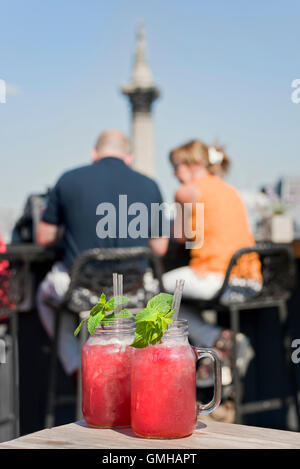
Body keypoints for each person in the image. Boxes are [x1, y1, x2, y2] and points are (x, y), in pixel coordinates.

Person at [36, 129, 168, 375]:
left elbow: (44, 236)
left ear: (94, 153)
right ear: (128, 157)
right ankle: (133, 374)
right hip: (133, 292)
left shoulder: (68, 179)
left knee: (44, 296)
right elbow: (160, 247)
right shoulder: (150, 185)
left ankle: (77, 368)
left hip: (82, 292)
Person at [163, 140, 261, 382]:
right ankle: (219, 362)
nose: (174, 174)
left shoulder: (187, 191)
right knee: (181, 297)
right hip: (250, 281)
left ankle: (220, 339)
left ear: (192, 164)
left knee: (157, 293)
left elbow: (180, 236)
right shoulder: (230, 190)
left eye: (176, 167)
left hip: (218, 278)